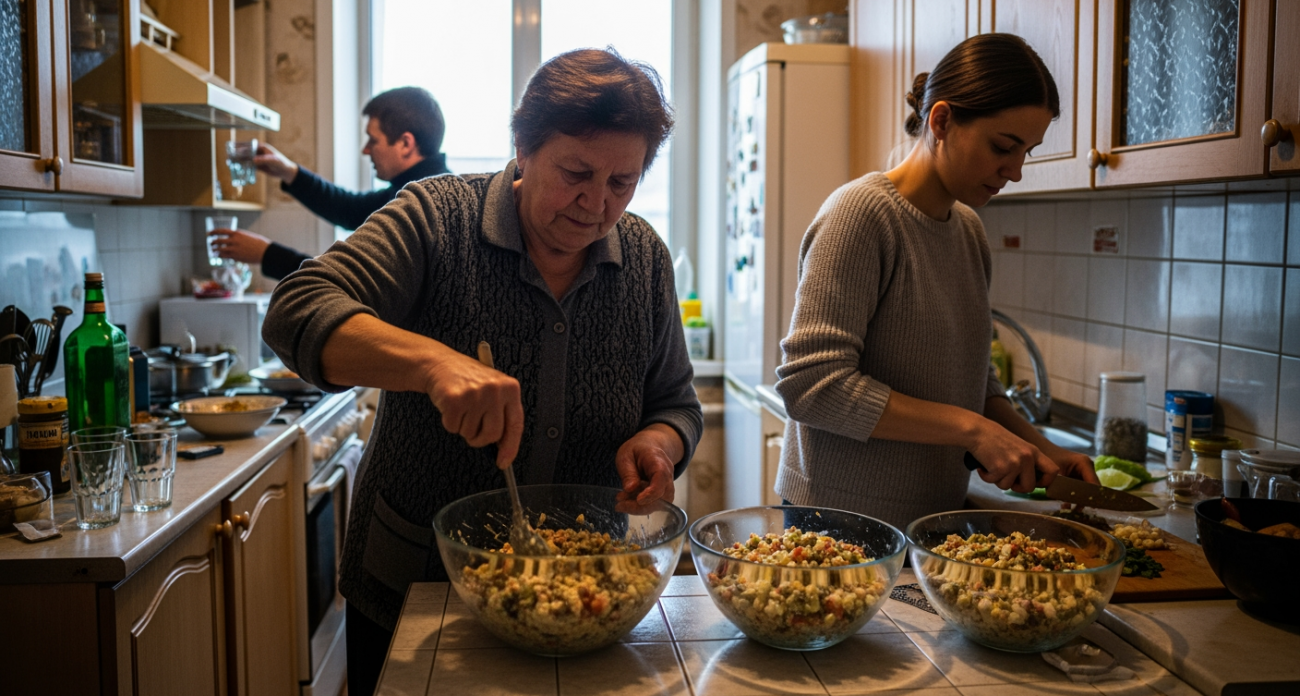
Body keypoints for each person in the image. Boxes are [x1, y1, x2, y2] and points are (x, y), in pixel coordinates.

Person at [263, 49, 701, 696]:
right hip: (417, 591)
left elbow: (675, 402)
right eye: (576, 172)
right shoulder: (436, 218)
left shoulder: (643, 259)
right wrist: (433, 363)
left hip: (578, 594)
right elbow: (296, 310)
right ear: (522, 147)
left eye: (622, 182)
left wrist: (661, 444)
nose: (596, 203)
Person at [773, 33, 1097, 532]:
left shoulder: (968, 231)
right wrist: (972, 430)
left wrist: (1041, 447)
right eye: (1003, 147)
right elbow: (811, 385)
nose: (1014, 172)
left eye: (1026, 152)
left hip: (932, 517)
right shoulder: (861, 215)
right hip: (840, 521)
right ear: (941, 120)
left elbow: (974, 382)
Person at [208, 86, 453, 279]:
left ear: (405, 143)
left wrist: (266, 253)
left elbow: (349, 279)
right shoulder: (422, 190)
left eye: (373, 140)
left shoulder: (420, 206)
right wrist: (289, 172)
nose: (365, 151)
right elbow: (350, 210)